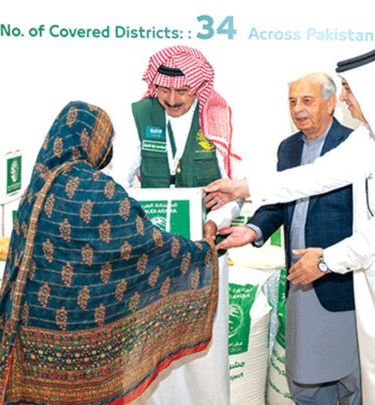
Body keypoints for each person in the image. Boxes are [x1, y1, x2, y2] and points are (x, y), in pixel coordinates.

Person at [207, 44, 375, 404]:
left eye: (348, 88)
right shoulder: (370, 138)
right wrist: (242, 188)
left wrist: (328, 260)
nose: (344, 98)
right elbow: (317, 176)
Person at [0, 101, 219, 405]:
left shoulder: (37, 185)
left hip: (29, 333)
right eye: (107, 140)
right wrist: (202, 249)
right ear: (94, 140)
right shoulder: (99, 189)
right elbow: (144, 244)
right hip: (85, 342)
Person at [218, 72, 363, 404]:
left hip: (342, 280)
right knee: (305, 375)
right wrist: (252, 230)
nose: (298, 109)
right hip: (300, 278)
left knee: (352, 377)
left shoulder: (354, 145)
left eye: (307, 101)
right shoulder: (289, 147)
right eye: (292, 101)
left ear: (331, 103)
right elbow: (279, 199)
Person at [111, 45, 242, 405]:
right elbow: (119, 181)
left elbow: (235, 189)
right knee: (154, 342)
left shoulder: (215, 116)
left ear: (197, 87)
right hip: (152, 253)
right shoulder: (140, 115)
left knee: (204, 347)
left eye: (181, 91)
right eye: (164, 90)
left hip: (205, 249)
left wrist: (215, 223)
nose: (171, 99)